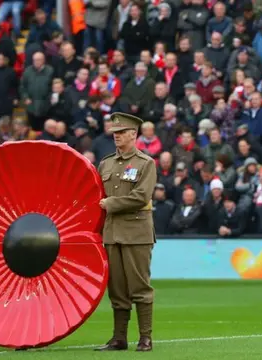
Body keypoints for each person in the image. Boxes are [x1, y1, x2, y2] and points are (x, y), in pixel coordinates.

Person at [97, 112, 157, 351]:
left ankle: (145, 337)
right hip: (112, 233)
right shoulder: (106, 163)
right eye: (115, 132)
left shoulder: (146, 163)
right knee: (117, 288)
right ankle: (119, 337)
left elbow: (142, 196)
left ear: (134, 134)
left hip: (136, 232)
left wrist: (111, 204)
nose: (117, 136)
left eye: (121, 132)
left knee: (140, 287)